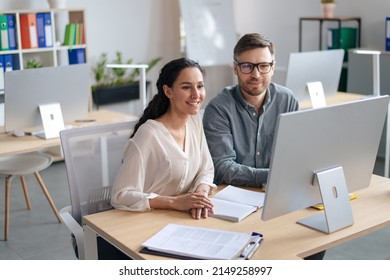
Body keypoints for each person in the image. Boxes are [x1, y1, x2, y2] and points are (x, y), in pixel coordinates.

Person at [203, 33, 325, 260]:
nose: (256, 74)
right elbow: (224, 168)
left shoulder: (287, 100)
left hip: (277, 199)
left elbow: (296, 155)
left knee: (313, 242)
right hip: (235, 203)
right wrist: (275, 175)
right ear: (236, 68)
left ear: (272, 67)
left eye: (263, 66)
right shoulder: (219, 108)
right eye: (247, 66)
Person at [111, 57, 216, 220]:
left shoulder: (194, 120)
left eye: (200, 86)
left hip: (181, 219)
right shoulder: (148, 134)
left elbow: (206, 169)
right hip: (145, 221)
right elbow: (121, 195)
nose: (196, 94)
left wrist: (200, 196)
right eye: (186, 87)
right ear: (168, 92)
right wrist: (174, 202)